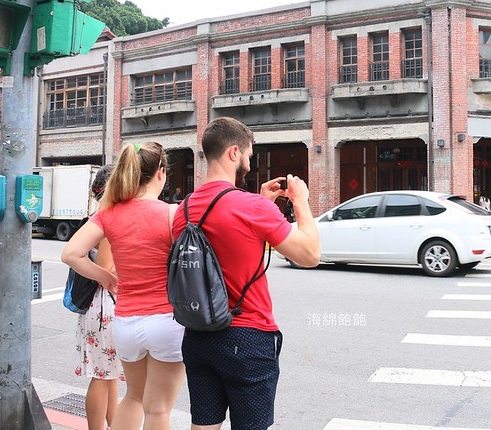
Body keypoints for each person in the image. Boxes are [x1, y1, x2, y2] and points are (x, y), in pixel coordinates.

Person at [172, 117, 320, 430]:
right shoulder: (250, 207)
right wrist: (301, 202)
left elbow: (228, 242)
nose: (250, 165)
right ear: (234, 152)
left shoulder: (183, 210)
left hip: (197, 335)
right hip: (247, 335)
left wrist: (263, 203)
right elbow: (309, 255)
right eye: (249, 156)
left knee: (204, 425)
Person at [63, 142, 185, 430]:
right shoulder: (173, 214)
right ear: (161, 173)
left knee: (133, 398)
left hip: (126, 323)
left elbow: (71, 254)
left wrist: (104, 277)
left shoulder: (109, 213)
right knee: (158, 410)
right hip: (166, 320)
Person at [72, 164, 122, 430]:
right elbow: (105, 268)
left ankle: (115, 426)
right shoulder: (108, 218)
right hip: (105, 305)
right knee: (103, 376)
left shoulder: (98, 215)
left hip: (99, 304)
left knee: (108, 375)